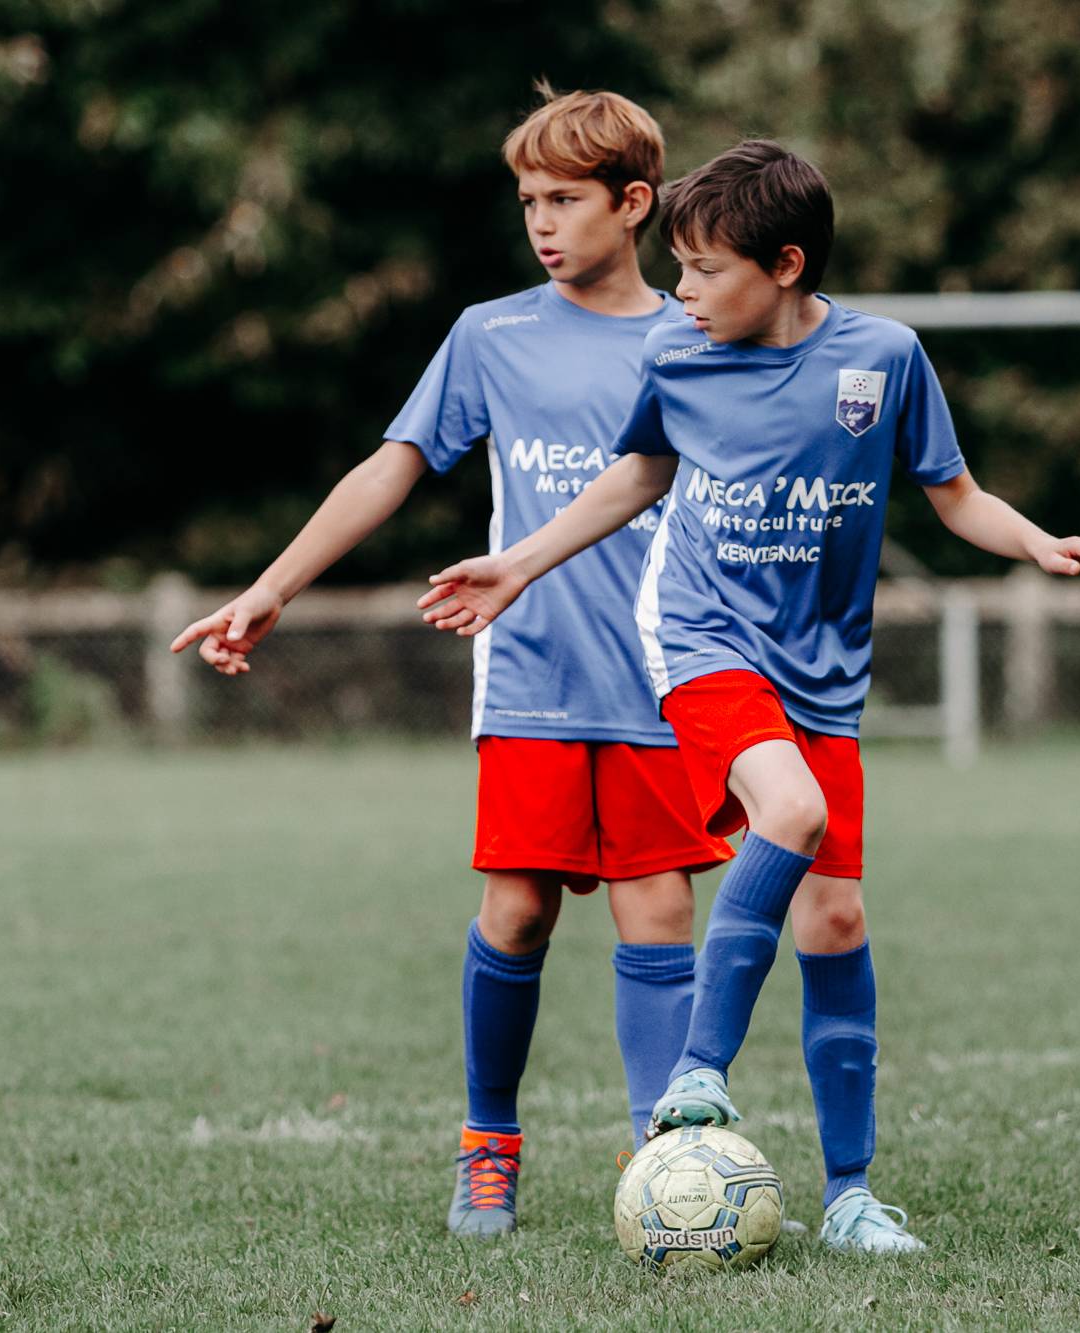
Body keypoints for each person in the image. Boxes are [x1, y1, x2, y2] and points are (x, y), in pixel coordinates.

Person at [418, 139, 1080, 1254]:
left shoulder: (882, 358)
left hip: (823, 673)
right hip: (699, 642)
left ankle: (850, 1197)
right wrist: (520, 562)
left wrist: (1038, 543)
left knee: (834, 920)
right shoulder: (679, 354)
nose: (682, 290)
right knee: (789, 812)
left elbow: (954, 494)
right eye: (679, 268)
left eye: (704, 270)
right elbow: (639, 473)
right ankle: (696, 1072)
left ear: (785, 265)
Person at [171, 87, 729, 1239]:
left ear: (634, 203)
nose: (541, 222)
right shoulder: (491, 333)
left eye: (564, 200)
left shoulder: (696, 335)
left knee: (659, 912)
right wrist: (272, 586)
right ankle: (487, 1148)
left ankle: (666, 1163)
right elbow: (393, 464)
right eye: (527, 202)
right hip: (530, 674)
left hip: (662, 676)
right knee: (515, 913)